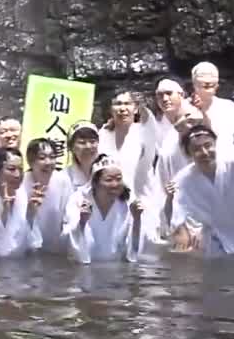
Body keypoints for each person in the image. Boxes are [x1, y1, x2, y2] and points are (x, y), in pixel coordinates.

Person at [170, 125, 234, 258]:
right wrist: (185, 233)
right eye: (197, 149)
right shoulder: (183, 179)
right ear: (189, 154)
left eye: (208, 145)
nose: (205, 152)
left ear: (215, 143)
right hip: (214, 237)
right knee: (219, 275)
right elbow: (178, 214)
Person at [97, 89, 161, 242]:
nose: (122, 108)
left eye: (127, 104)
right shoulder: (103, 134)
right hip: (110, 205)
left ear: (135, 108)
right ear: (110, 109)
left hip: (141, 205)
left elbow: (150, 123)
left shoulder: (143, 132)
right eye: (117, 104)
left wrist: (143, 106)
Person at [62, 155, 145, 264]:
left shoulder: (129, 202)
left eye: (118, 179)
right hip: (85, 269)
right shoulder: (78, 199)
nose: (114, 184)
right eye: (109, 180)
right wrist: (82, 222)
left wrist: (137, 219)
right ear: (95, 182)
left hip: (117, 269)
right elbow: (69, 240)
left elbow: (133, 253)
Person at [0, 138, 75, 256]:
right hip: (25, 249)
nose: (48, 162)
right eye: (42, 158)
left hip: (56, 251)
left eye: (52, 157)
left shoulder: (63, 181)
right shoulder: (21, 182)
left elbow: (69, 217)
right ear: (30, 161)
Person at [154, 106, 206, 251]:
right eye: (186, 121)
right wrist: (177, 227)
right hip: (179, 221)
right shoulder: (168, 154)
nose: (191, 126)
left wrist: (208, 230)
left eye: (196, 123)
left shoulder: (212, 152)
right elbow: (162, 193)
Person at [189, 61, 234, 154]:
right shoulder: (184, 108)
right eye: (203, 85)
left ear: (217, 86)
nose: (207, 89)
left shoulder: (228, 107)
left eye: (211, 85)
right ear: (194, 85)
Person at [63, 121, 102, 191]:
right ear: (71, 147)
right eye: (82, 142)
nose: (88, 146)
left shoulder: (109, 173)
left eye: (92, 141)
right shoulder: (63, 177)